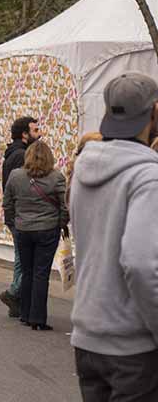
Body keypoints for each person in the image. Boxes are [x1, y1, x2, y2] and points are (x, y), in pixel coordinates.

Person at [69, 72, 158, 400]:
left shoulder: (83, 169)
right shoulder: (147, 176)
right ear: (153, 113)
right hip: (132, 345)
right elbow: (140, 264)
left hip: (87, 336)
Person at [2, 140, 67, 331]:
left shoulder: (16, 176)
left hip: (23, 229)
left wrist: (13, 224)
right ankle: (37, 318)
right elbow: (64, 206)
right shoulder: (56, 177)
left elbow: (7, 204)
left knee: (27, 272)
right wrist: (60, 224)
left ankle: (25, 313)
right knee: (41, 273)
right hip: (47, 230)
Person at [0, 116, 40, 318]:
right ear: (24, 134)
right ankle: (14, 292)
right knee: (23, 259)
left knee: (21, 257)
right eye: (35, 130)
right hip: (20, 214)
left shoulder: (13, 153)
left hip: (15, 213)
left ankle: (17, 296)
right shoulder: (21, 155)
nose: (39, 134)